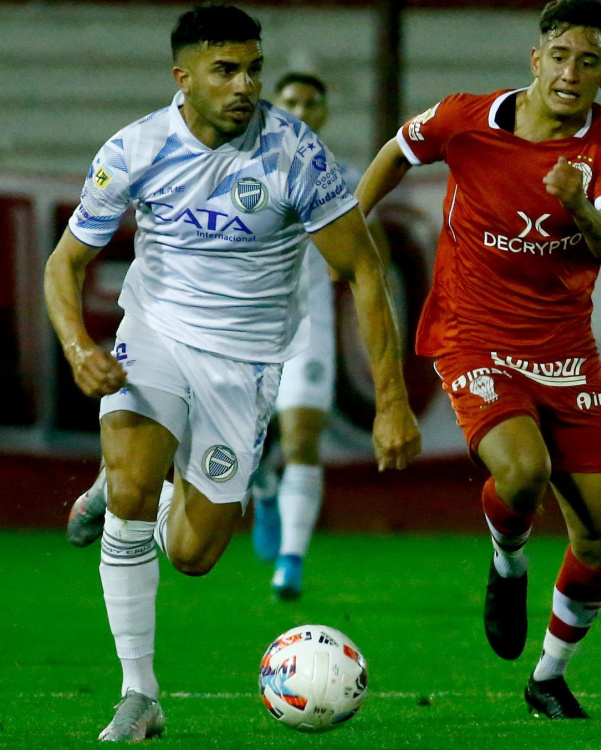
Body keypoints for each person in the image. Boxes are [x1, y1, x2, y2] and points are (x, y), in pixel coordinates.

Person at [47, 5, 420, 742]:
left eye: (253, 68)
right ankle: (140, 693)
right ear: (183, 78)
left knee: (191, 554)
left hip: (244, 365)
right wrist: (77, 345)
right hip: (153, 334)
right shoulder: (135, 148)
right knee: (128, 491)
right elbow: (66, 262)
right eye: (226, 70)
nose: (245, 83)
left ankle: (140, 488)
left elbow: (364, 272)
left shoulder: (296, 157)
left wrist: (391, 402)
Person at [355, 0, 601, 721]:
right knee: (523, 471)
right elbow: (398, 150)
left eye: (589, 61)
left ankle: (547, 676)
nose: (572, 72)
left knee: (600, 535)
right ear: (536, 60)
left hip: (565, 349)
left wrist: (578, 208)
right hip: (472, 331)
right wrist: (351, 223)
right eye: (561, 56)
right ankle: (507, 561)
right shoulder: (465, 119)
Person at [249, 71, 363, 601]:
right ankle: (263, 484)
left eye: (311, 102)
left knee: (300, 439)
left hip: (307, 328)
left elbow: (369, 252)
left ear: (322, 115)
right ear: (275, 106)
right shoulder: (240, 167)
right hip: (241, 326)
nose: (300, 108)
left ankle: (290, 563)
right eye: (290, 99)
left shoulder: (342, 178)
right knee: (235, 443)